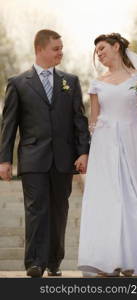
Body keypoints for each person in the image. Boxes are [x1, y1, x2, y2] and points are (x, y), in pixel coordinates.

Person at [78, 33, 137, 277]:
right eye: (96, 52)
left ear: (116, 47)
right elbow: (93, 119)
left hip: (132, 141)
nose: (99, 54)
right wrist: (89, 148)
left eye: (102, 48)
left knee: (132, 196)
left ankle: (135, 260)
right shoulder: (97, 83)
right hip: (104, 143)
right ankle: (107, 260)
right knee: (110, 199)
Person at [0, 29, 90, 277]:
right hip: (33, 158)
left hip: (63, 159)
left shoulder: (70, 81)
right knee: (36, 209)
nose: (61, 52)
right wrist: (5, 160)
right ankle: (34, 262)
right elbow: (9, 125)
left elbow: (78, 120)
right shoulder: (18, 83)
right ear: (40, 49)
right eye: (56, 48)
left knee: (59, 210)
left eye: (62, 48)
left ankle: (54, 262)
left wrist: (84, 153)